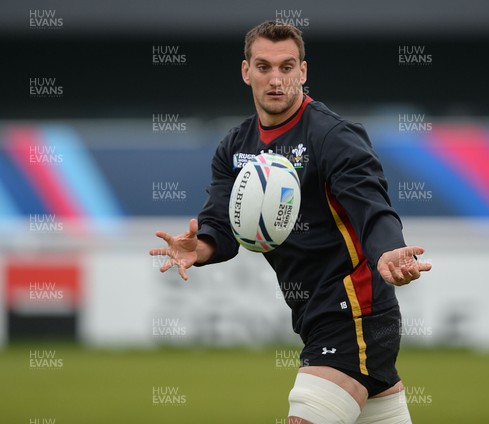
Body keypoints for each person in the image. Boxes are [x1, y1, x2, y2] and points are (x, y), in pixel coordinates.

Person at [149, 20, 432, 424]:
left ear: (303, 71)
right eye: (264, 67)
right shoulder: (235, 147)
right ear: (247, 72)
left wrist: (388, 249)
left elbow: (371, 205)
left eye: (287, 67)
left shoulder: (332, 136)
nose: (276, 79)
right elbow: (222, 223)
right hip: (314, 317)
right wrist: (203, 246)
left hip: (356, 312)